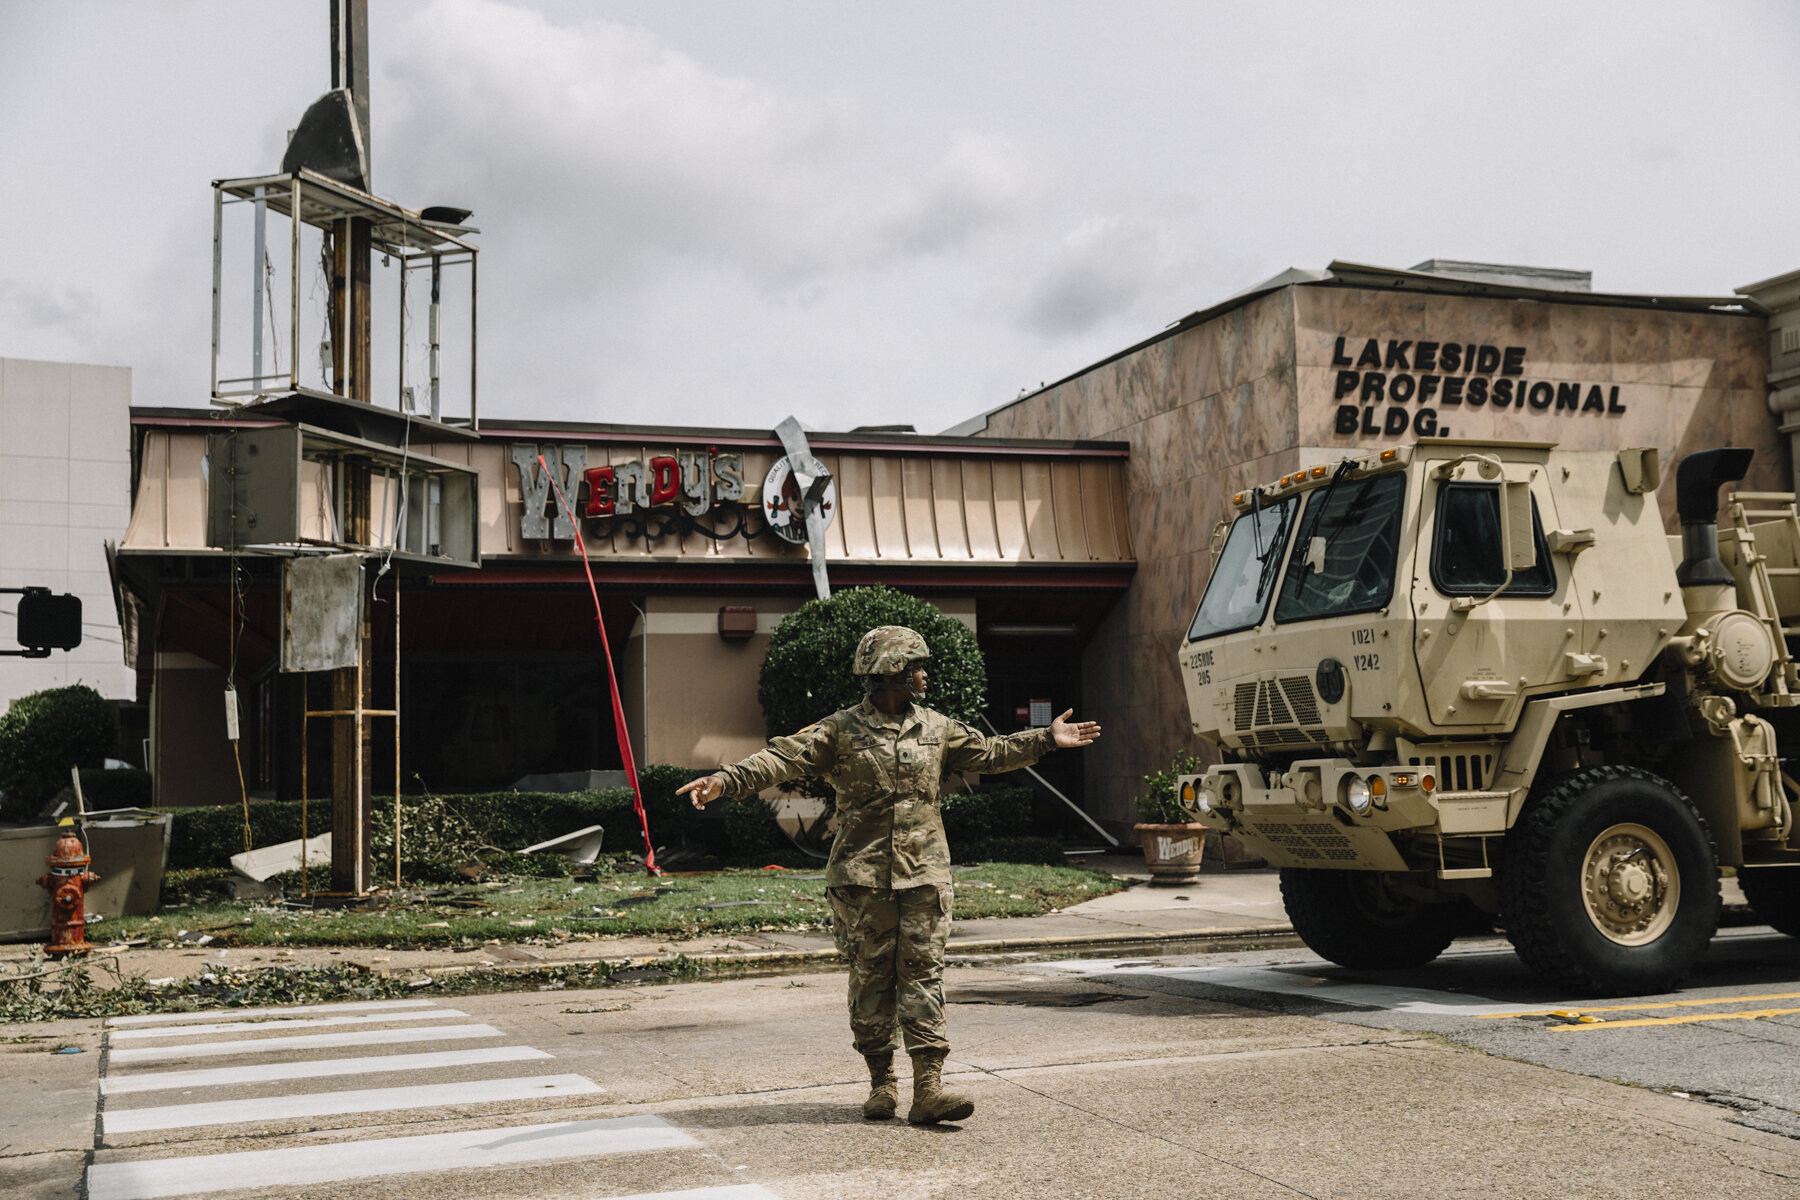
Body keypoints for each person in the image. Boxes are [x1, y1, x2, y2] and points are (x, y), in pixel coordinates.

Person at [677, 625, 1101, 1125]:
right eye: (916, 666)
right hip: (862, 879)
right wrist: (725, 780)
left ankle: (929, 1090)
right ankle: (881, 1082)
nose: (924, 675)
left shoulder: (938, 728)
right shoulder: (840, 730)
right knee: (871, 980)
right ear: (891, 672)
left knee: (924, 975)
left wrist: (1045, 739)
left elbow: (989, 753)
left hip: (923, 875)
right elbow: (782, 759)